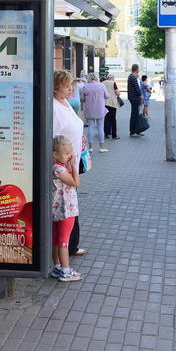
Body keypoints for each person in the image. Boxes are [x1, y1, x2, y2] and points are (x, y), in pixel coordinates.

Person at [52, 70, 86, 257]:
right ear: (56, 88)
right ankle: (67, 247)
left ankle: (70, 244)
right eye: (66, 85)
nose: (70, 88)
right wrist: (63, 161)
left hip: (72, 161)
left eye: (70, 85)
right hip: (63, 166)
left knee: (71, 204)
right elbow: (54, 138)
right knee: (67, 206)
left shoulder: (64, 103)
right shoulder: (54, 107)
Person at [50, 135, 81, 282]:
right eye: (66, 154)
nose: (69, 156)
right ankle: (66, 270)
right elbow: (76, 182)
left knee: (56, 240)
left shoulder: (56, 167)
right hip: (66, 210)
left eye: (71, 153)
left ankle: (57, 267)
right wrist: (74, 166)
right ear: (55, 154)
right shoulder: (59, 169)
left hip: (56, 209)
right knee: (64, 241)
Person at [81, 72, 109, 152]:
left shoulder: (85, 86)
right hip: (100, 109)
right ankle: (102, 147)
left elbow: (82, 99)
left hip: (90, 109)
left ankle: (90, 147)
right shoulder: (102, 85)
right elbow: (107, 96)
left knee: (91, 127)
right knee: (100, 127)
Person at [102, 73, 121, 139]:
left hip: (105, 103)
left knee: (106, 119)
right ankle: (114, 135)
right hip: (112, 103)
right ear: (113, 78)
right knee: (113, 119)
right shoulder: (113, 83)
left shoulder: (103, 83)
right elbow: (117, 93)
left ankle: (106, 134)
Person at [127, 64, 144, 136]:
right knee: (134, 114)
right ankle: (133, 131)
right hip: (135, 98)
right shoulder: (133, 77)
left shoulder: (132, 76)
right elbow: (137, 87)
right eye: (138, 69)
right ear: (136, 69)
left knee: (136, 114)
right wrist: (141, 95)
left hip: (133, 97)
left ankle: (136, 131)